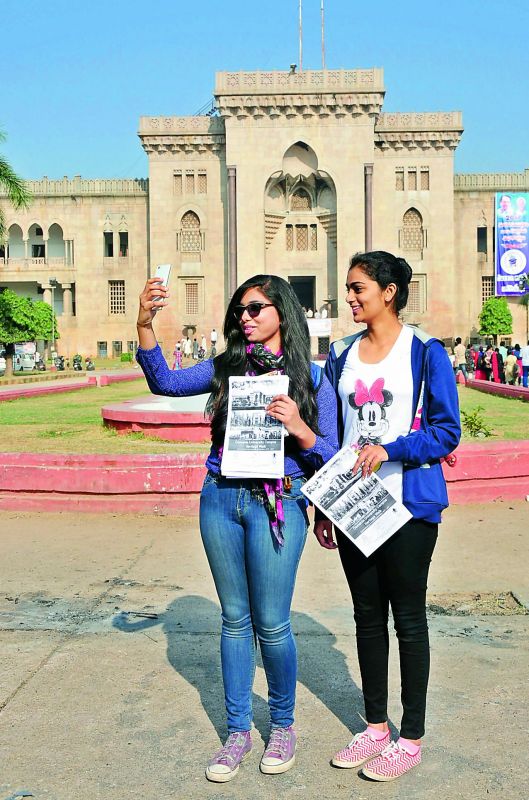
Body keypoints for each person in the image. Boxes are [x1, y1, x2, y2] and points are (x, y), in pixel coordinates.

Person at [135, 273, 338, 783]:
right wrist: (143, 322)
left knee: (271, 622)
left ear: (282, 313)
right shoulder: (227, 369)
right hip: (222, 497)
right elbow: (166, 382)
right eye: (240, 310)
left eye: (256, 308)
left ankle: (284, 725)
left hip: (281, 503)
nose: (244, 317)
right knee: (233, 619)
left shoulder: (311, 378)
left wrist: (299, 427)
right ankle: (238, 731)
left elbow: (331, 456)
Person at [315, 251, 460, 782]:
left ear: (389, 292)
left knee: (410, 620)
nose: (350, 297)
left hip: (409, 503)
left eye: (359, 288)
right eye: (349, 289)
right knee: (367, 617)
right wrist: (323, 504)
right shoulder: (341, 355)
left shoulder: (423, 352)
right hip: (357, 506)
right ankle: (375, 726)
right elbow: (334, 438)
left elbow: (446, 432)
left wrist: (391, 449)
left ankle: (411, 736)